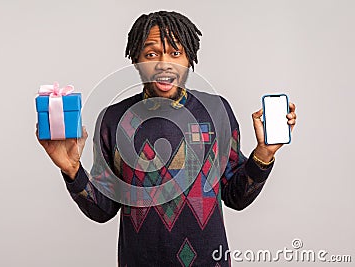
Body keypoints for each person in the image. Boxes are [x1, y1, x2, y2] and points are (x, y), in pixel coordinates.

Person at [37, 10, 297, 267]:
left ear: (188, 58)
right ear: (136, 59)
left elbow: (236, 197)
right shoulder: (113, 120)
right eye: (151, 54)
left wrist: (264, 154)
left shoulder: (216, 110)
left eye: (175, 53)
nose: (164, 63)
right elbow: (102, 209)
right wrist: (72, 170)